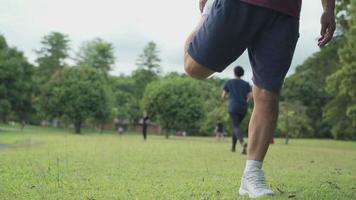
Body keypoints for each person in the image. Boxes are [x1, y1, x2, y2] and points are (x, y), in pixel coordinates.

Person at [184, 0, 336, 197]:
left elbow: (231, 94)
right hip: (239, 4)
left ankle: (252, 174)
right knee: (193, 68)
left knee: (268, 94)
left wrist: (329, 9)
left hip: (284, 12)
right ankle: (209, 14)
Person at [222, 66, 252, 154]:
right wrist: (246, 100)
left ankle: (242, 142)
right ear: (242, 73)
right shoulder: (246, 84)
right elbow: (250, 95)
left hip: (233, 107)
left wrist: (230, 97)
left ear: (234, 72)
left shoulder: (229, 82)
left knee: (236, 126)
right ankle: (233, 148)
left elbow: (223, 95)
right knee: (236, 126)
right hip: (243, 107)